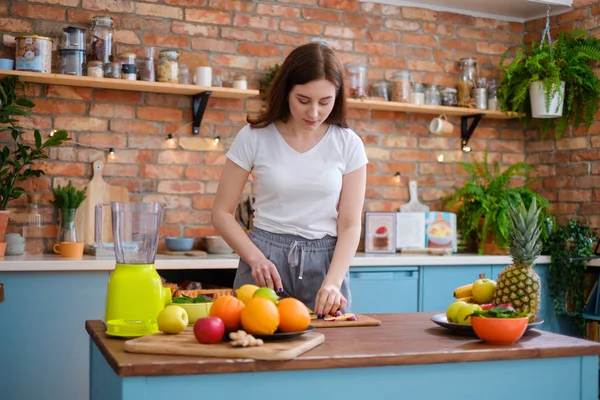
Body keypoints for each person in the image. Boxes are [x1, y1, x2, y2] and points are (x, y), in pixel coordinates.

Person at [211, 42, 368, 318]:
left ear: (338, 97)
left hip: (326, 265)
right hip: (264, 262)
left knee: (326, 355)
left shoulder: (348, 144)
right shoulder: (254, 137)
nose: (314, 113)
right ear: (286, 93)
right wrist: (256, 258)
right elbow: (221, 213)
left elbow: (351, 223)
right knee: (254, 351)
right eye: (304, 100)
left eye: (325, 102)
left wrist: (332, 282)